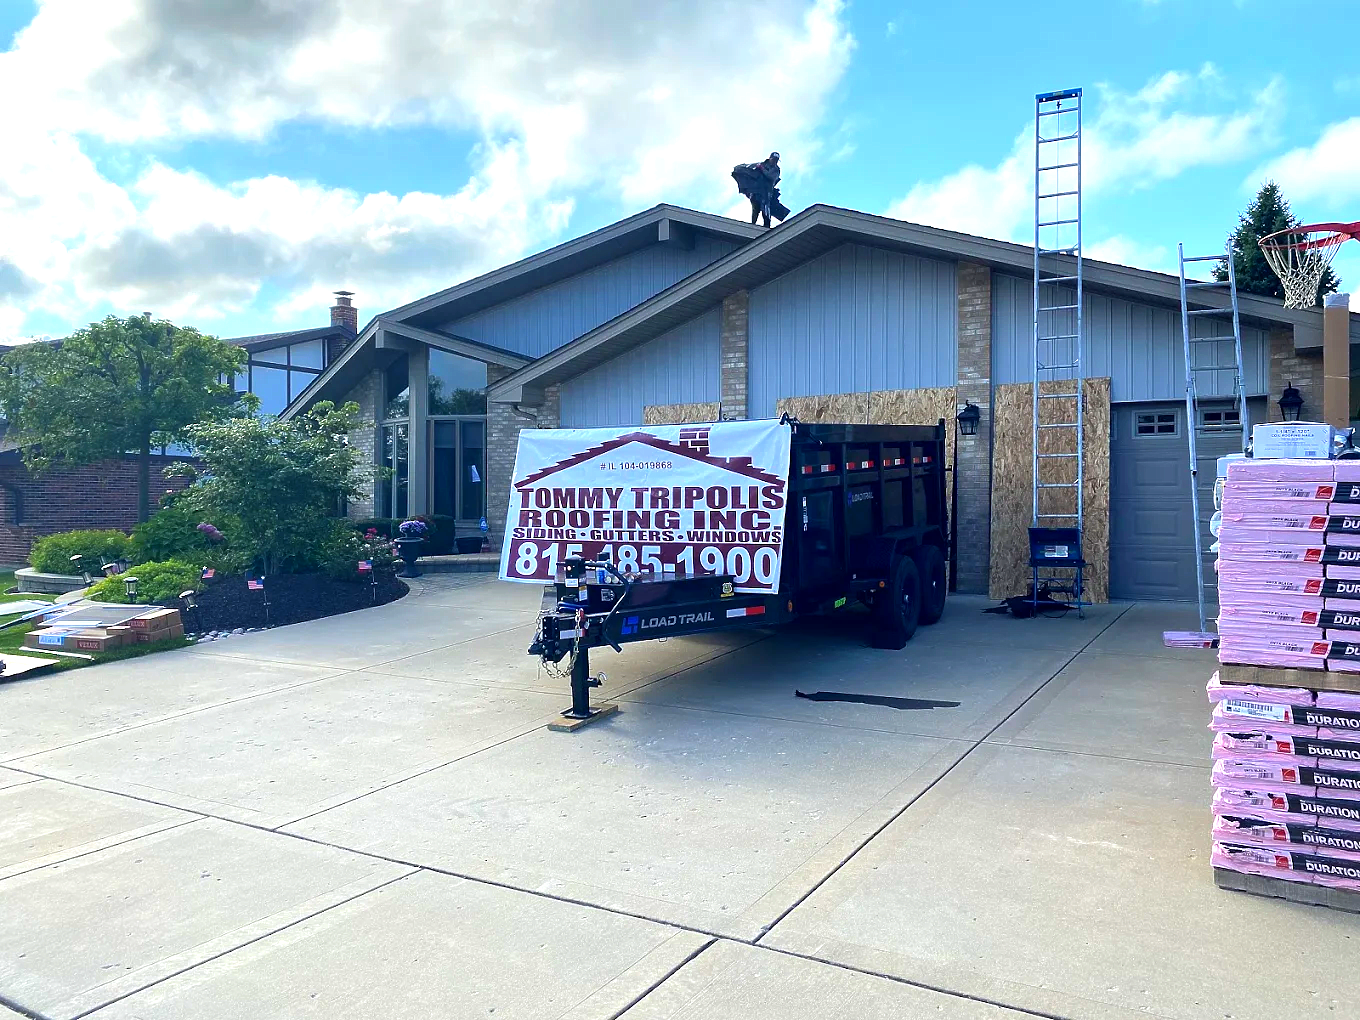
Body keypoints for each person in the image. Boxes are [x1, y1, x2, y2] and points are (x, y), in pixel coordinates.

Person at [732, 152, 790, 228]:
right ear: (770, 158)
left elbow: (771, 176)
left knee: (765, 208)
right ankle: (753, 225)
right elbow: (747, 166)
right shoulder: (762, 164)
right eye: (773, 159)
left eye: (776, 160)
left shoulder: (776, 170)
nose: (774, 162)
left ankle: (767, 227)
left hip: (767, 192)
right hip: (756, 190)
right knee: (755, 207)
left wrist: (762, 169)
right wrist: (740, 168)